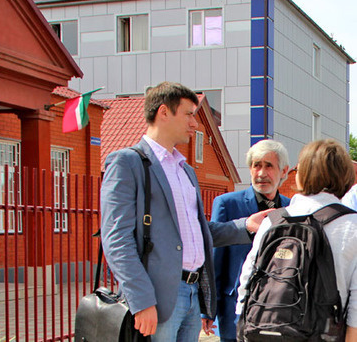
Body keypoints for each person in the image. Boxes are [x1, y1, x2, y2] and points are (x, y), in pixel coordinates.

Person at [101, 82, 270, 341]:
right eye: (189, 114)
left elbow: (199, 232)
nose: (195, 123)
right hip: (156, 297)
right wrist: (141, 299)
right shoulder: (128, 162)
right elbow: (116, 239)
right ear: (163, 112)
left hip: (193, 294)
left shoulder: (185, 170)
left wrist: (246, 225)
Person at [236, 139, 357, 341]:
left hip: (263, 331)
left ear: (302, 174)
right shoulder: (351, 224)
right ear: (344, 175)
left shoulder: (273, 221)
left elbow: (246, 283)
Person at [211, 140, 291, 342]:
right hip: (235, 309)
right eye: (257, 165)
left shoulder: (292, 208)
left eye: (269, 165)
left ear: (284, 171)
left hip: (278, 310)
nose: (261, 173)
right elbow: (215, 261)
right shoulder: (227, 204)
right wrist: (208, 310)